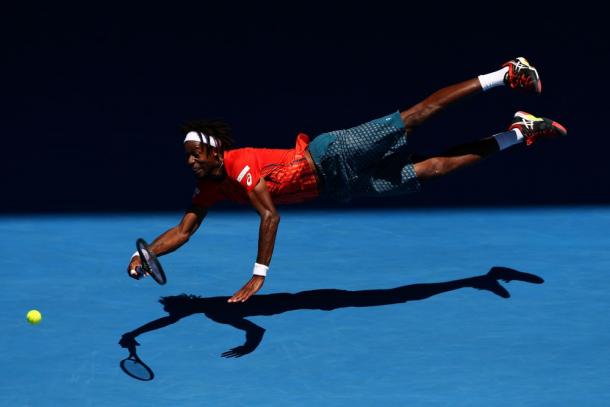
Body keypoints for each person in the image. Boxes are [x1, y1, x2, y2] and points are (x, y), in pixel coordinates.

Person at [127, 57, 567, 303]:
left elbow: (270, 216)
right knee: (433, 169)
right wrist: (145, 254)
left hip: (332, 153)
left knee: (413, 119)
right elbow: (183, 230)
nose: (189, 162)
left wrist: (258, 274)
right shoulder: (209, 188)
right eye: (187, 157)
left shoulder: (240, 166)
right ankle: (519, 132)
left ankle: (505, 73)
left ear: (212, 150)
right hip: (337, 186)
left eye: (194, 154)